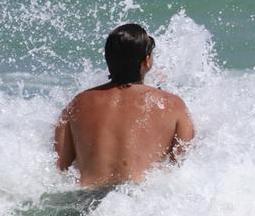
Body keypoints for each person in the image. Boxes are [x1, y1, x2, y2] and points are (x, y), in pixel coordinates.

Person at [54, 23, 194, 188]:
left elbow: (60, 167)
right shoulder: (172, 105)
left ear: (108, 58)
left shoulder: (77, 104)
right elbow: (182, 167)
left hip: (86, 200)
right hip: (136, 201)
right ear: (147, 61)